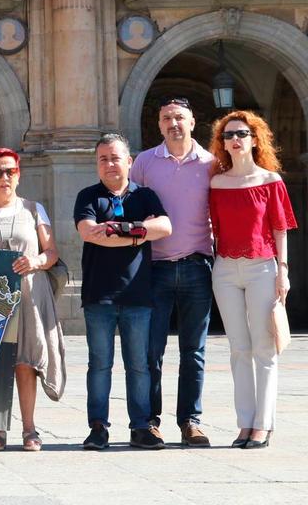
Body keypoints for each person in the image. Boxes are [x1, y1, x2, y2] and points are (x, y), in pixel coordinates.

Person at [0, 148, 66, 451]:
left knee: (26, 362)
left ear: (18, 176)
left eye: (10, 171)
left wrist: (35, 262)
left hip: (30, 293)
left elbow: (52, 253)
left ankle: (30, 429)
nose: (5, 177)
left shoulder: (34, 210)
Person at [74, 133, 172, 451]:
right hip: (99, 296)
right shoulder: (88, 196)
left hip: (138, 294)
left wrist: (122, 231)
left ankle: (141, 426)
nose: (110, 164)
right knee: (99, 364)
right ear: (97, 164)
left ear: (129, 162)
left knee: (139, 365)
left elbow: (165, 228)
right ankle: (98, 427)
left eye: (115, 157)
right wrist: (139, 233)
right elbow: (90, 233)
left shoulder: (145, 196)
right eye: (103, 158)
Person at [207, 110, 296, 450]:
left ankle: (263, 424)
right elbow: (212, 225)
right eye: (229, 135)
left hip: (262, 267)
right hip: (225, 269)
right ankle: (244, 423)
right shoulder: (216, 183)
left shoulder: (270, 180)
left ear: (255, 139)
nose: (235, 139)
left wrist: (283, 272)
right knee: (239, 349)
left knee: (264, 347)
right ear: (222, 142)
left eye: (242, 133)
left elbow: (280, 227)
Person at [130, 96, 214, 447]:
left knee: (194, 351)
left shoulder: (212, 163)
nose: (173, 123)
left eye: (179, 117)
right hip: (156, 269)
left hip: (198, 265)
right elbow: (128, 206)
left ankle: (190, 421)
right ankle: (149, 422)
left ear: (193, 122)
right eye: (166, 118)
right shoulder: (145, 163)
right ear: (159, 124)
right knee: (152, 351)